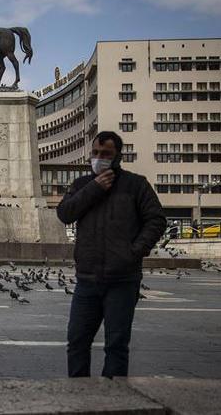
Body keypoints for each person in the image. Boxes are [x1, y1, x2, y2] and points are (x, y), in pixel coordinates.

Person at [56, 131, 166, 378]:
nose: (99, 158)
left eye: (105, 154)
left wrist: (134, 252)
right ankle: (78, 393)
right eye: (95, 153)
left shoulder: (136, 185)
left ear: (117, 156)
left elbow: (157, 220)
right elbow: (64, 213)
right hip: (87, 279)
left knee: (116, 345)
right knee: (76, 341)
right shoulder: (81, 184)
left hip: (122, 280)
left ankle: (114, 398)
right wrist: (94, 188)